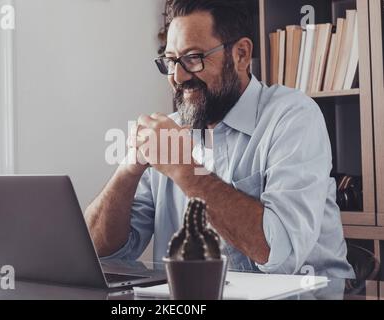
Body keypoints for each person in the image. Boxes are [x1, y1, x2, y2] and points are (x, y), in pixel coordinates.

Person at [85, 0, 354, 278]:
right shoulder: (170, 131)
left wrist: (186, 171)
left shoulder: (293, 116)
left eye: (192, 58)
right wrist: (129, 169)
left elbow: (278, 254)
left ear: (241, 54)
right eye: (171, 61)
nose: (177, 76)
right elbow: (100, 253)